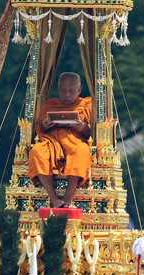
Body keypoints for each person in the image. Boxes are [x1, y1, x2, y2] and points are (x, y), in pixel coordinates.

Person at [28, 72, 93, 209]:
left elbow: (91, 132)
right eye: (63, 91)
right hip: (52, 142)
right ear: (58, 89)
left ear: (79, 90)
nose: (67, 95)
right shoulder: (49, 105)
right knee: (37, 151)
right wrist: (44, 125)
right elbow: (39, 129)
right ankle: (54, 198)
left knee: (80, 151)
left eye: (71, 91)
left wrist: (83, 128)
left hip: (75, 141)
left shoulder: (87, 104)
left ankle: (68, 197)